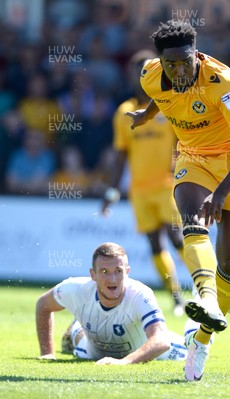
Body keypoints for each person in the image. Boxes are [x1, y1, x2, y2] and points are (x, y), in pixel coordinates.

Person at [126, 20, 230, 381]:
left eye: (185, 62)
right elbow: (163, 96)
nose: (179, 71)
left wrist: (221, 194)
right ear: (161, 63)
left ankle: (201, 340)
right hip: (193, 160)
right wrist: (147, 115)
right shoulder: (149, 76)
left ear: (196, 55)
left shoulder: (222, 81)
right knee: (192, 221)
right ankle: (205, 298)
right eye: (171, 65)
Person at [102, 50, 187, 317]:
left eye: (148, 71)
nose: (142, 77)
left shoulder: (169, 104)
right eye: (138, 72)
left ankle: (204, 285)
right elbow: (120, 154)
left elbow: (183, 142)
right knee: (154, 243)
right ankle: (176, 298)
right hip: (139, 190)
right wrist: (112, 190)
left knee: (177, 238)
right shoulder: (124, 112)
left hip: (166, 186)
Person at [35, 242, 187, 364]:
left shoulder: (140, 294)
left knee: (192, 345)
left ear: (127, 272)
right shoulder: (76, 289)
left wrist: (124, 362)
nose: (112, 279)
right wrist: (47, 353)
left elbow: (161, 340)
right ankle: (75, 329)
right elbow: (43, 304)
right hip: (92, 352)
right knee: (78, 336)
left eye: (118, 271)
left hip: (151, 351)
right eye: (104, 272)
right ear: (93, 275)